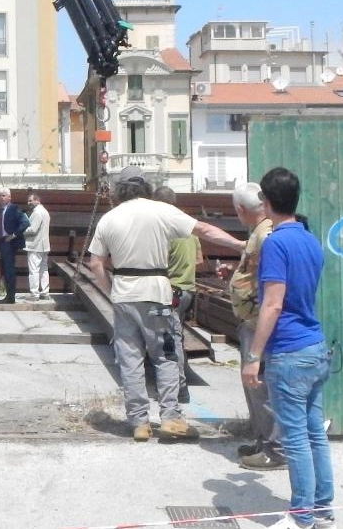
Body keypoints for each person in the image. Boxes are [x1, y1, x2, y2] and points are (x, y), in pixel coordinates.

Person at [87, 172, 246, 442]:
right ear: (147, 191)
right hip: (156, 291)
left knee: (130, 359)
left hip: (124, 292)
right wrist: (241, 244)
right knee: (165, 355)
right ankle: (170, 418)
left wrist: (111, 291)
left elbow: (96, 264)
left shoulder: (109, 218)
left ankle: (138, 422)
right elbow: (204, 230)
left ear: (118, 194)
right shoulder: (161, 210)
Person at [241, 168, 335, 529]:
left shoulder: (276, 243)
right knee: (314, 436)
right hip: (314, 347)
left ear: (265, 202)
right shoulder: (310, 239)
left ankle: (301, 518)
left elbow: (273, 304)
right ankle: (323, 511)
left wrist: (253, 356)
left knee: (295, 440)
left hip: (289, 353)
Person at [228, 181, 285, 471]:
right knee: (255, 386)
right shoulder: (260, 232)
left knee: (260, 385)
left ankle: (275, 449)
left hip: (256, 320)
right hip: (251, 317)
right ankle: (264, 440)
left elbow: (271, 282)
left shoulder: (266, 235)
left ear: (240, 210)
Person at [153, 186, 199, 405]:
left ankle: (180, 388)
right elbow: (198, 260)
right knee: (176, 335)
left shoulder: (167, 232)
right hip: (188, 289)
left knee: (171, 340)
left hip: (172, 291)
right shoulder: (190, 230)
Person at [0, 186, 29, 304]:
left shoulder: (14, 208)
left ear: (9, 197)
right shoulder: (1, 210)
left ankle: (11, 296)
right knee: (5, 269)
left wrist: (13, 235)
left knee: (9, 269)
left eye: (4, 195)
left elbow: (25, 223)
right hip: (2, 242)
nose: (1, 198)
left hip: (10, 243)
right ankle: (8, 295)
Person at [22, 192, 52, 300]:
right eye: (28, 200)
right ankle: (45, 292)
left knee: (34, 269)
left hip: (35, 245)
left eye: (31, 200)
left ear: (37, 201)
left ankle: (34, 293)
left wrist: (21, 230)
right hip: (44, 245)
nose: (28, 203)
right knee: (43, 269)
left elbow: (33, 229)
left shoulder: (37, 213)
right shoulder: (45, 212)